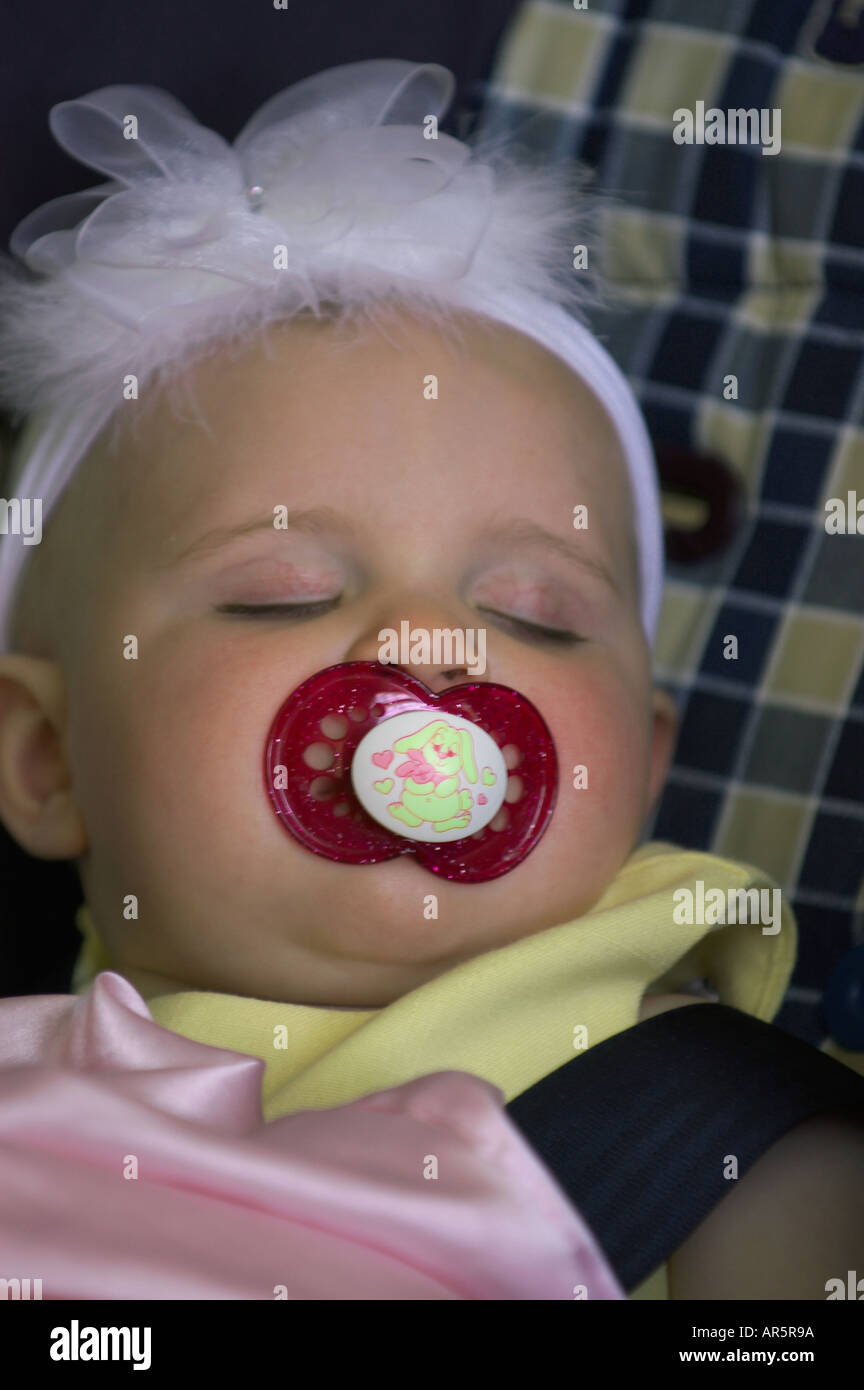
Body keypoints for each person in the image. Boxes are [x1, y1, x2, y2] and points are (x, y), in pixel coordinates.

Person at [0, 59, 860, 1301]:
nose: (428, 644)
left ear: (642, 768)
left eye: (536, 615)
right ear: (46, 757)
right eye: (282, 593)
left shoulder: (734, 1147)